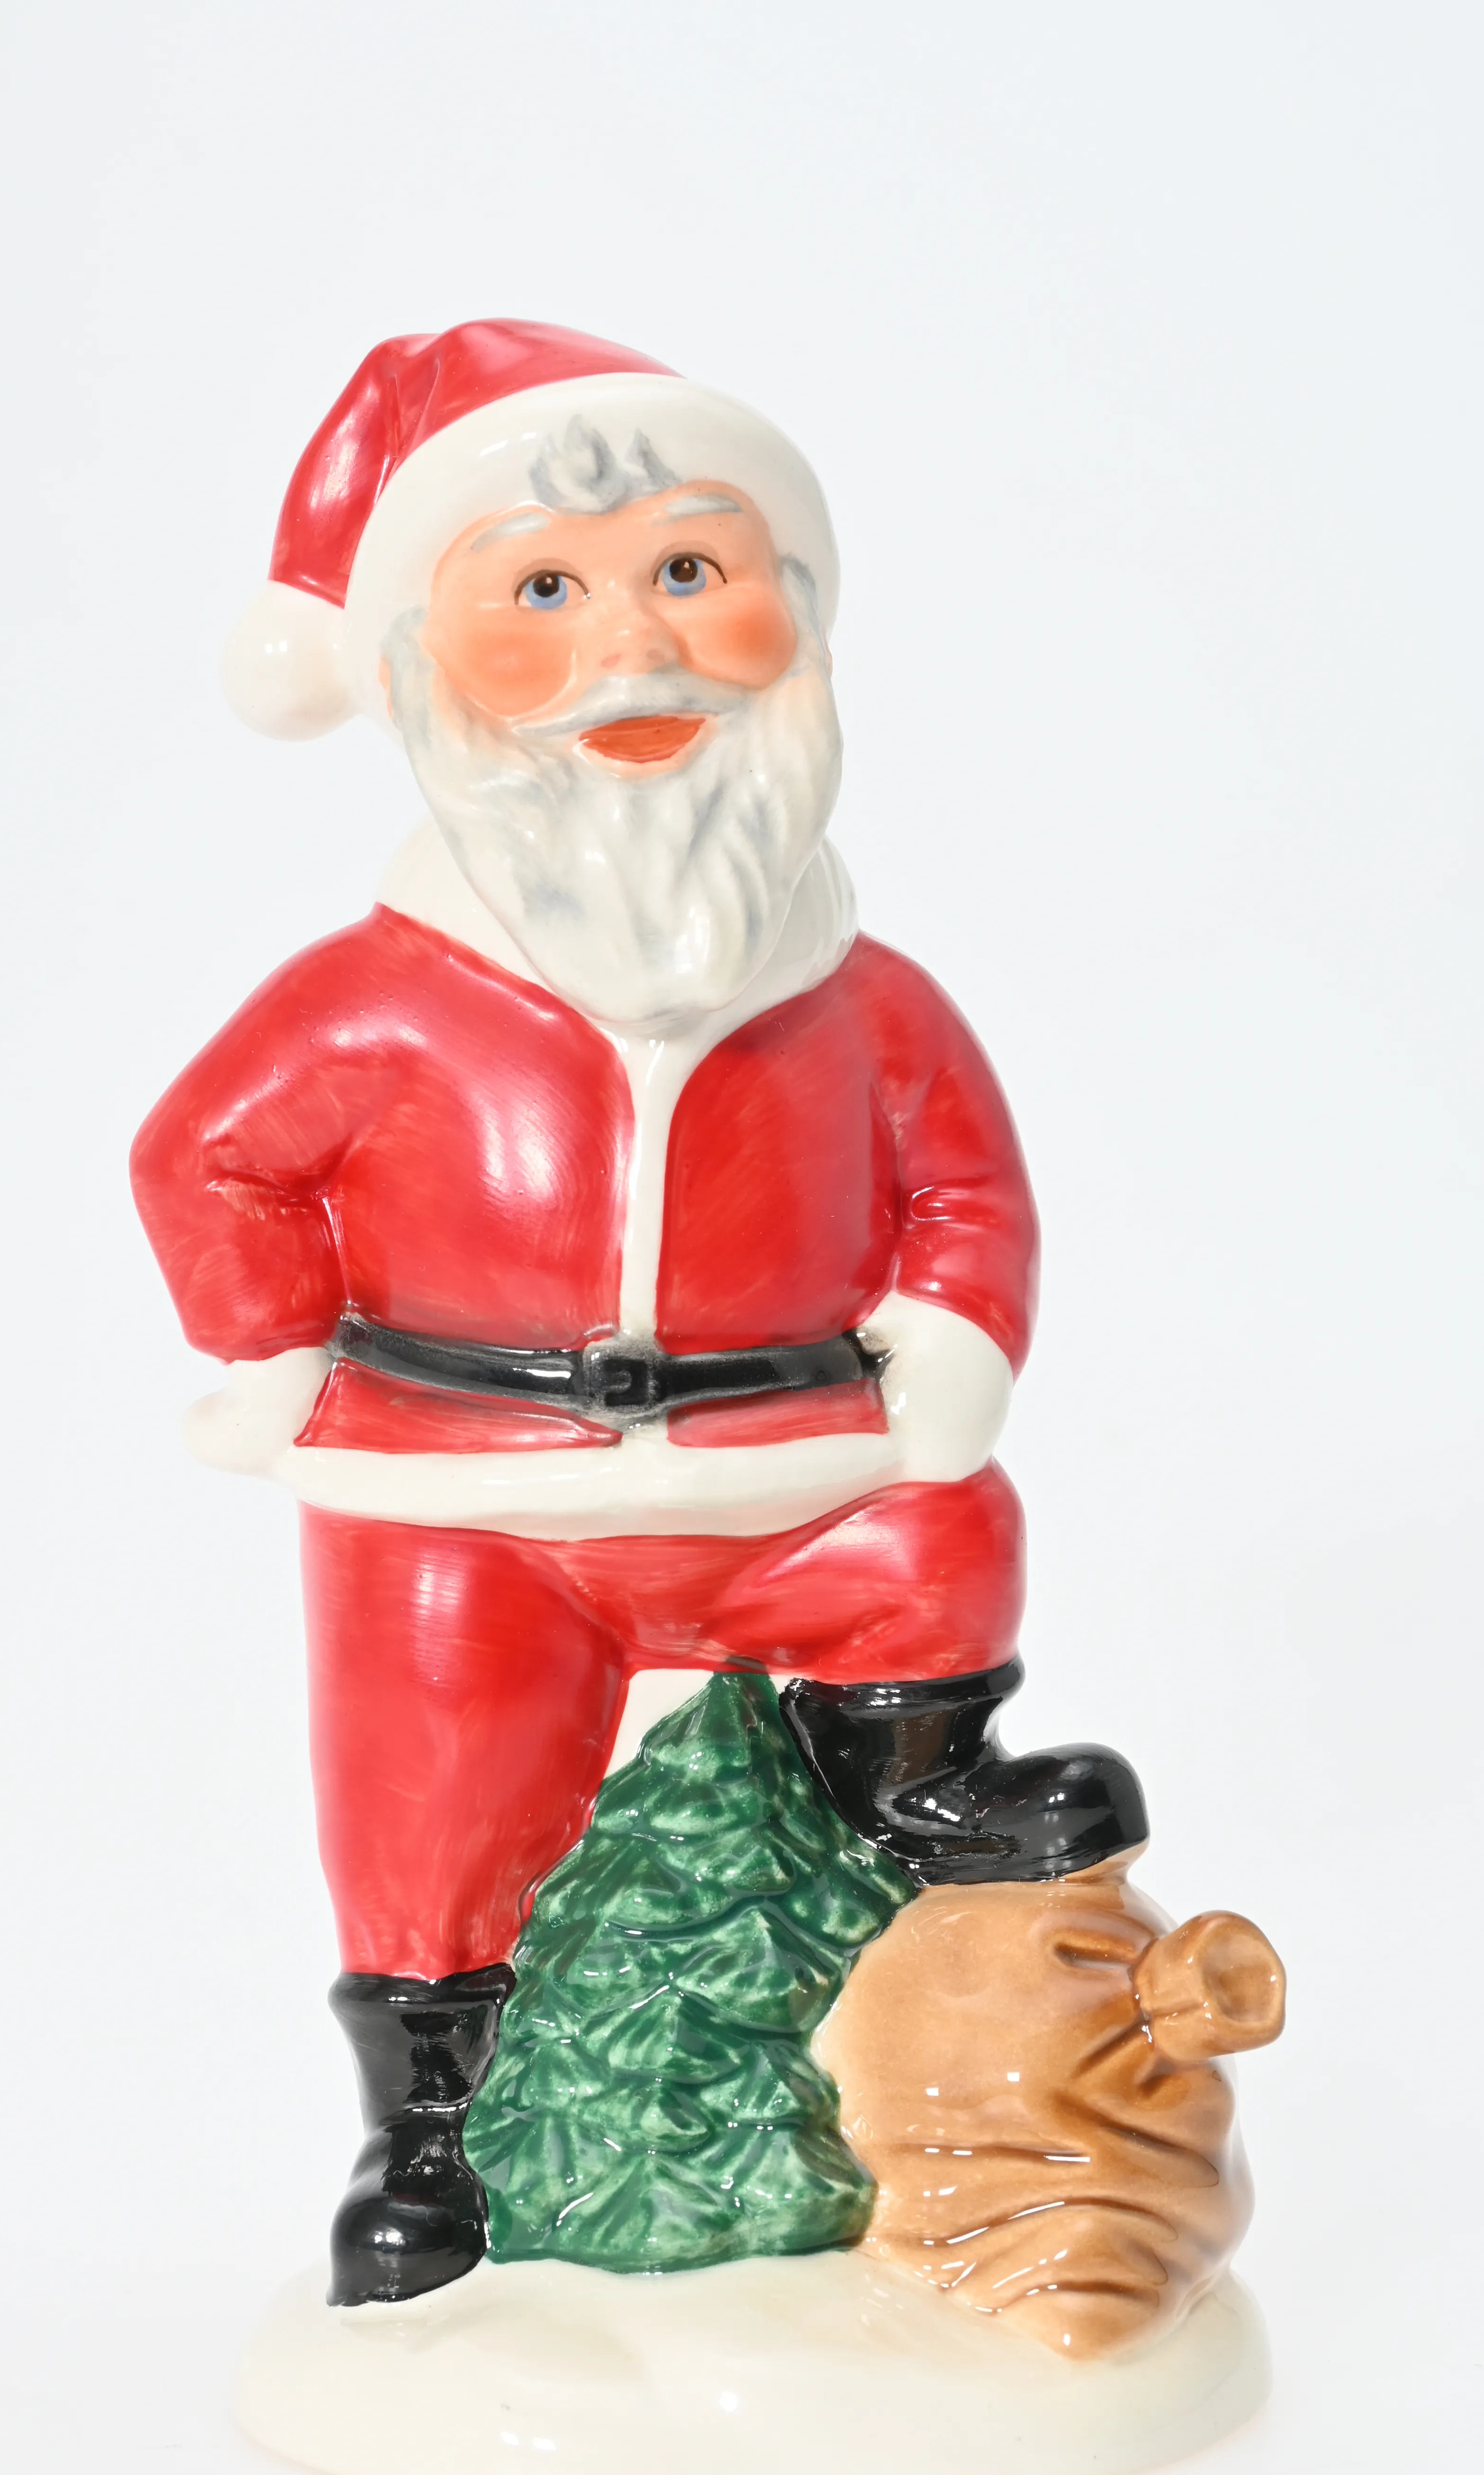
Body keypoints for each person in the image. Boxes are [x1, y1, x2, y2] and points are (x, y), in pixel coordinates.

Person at [132, 319, 1144, 2304]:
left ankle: (910, 1783)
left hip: (793, 1470)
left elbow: (965, 1190)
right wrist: (274, 1346)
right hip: (473, 1493)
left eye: (692, 567)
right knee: (431, 1781)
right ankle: (429, 2117)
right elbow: (206, 1159)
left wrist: (952, 1335)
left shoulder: (859, 997)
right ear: (416, 666)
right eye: (541, 594)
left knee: (937, 1537)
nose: (637, 646)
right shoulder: (383, 998)